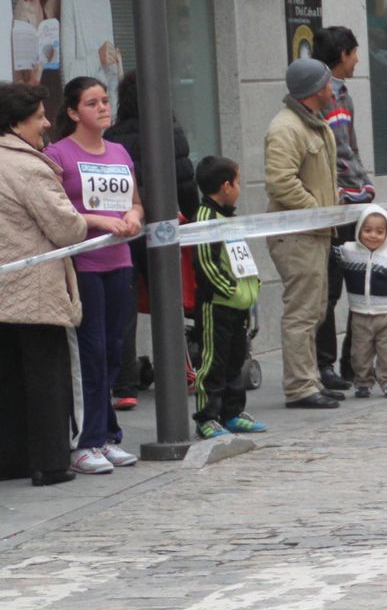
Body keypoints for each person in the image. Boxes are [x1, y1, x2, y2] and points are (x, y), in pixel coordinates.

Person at [0, 82, 123, 485]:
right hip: (34, 289)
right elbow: (65, 227)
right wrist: (96, 220)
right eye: (39, 116)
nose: (46, 123)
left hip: (5, 289)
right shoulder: (28, 166)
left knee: (10, 380)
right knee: (47, 377)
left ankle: (12, 460)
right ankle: (51, 463)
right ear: (17, 123)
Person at [45, 76, 143, 474]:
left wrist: (134, 217)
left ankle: (106, 436)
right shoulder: (58, 154)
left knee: (115, 350)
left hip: (119, 261)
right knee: (90, 352)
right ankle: (84, 441)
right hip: (82, 266)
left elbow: (136, 201)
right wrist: (99, 220)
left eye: (105, 100)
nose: (103, 108)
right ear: (72, 112)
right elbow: (54, 211)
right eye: (92, 103)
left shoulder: (119, 150)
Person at [104, 70, 201, 411]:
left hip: (126, 227)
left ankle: (125, 385)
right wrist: (194, 219)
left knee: (125, 309)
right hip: (161, 225)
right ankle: (178, 371)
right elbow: (185, 182)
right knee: (168, 300)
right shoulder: (169, 130)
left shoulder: (113, 137)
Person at [265, 57, 341, 410]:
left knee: (314, 311)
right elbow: (280, 182)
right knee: (302, 311)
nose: (332, 88)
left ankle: (309, 379)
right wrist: (316, 210)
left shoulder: (311, 123)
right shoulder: (287, 128)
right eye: (327, 82)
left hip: (314, 232)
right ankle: (300, 386)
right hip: (298, 234)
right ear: (315, 89)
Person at [312, 25, 377, 395]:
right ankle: (324, 365)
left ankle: (354, 363)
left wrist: (365, 184)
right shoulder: (319, 100)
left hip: (357, 198)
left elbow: (350, 146)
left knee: (362, 278)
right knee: (330, 285)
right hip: (334, 204)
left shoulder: (345, 96)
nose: (357, 59)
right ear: (342, 55)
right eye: (354, 52)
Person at [191, 155, 267, 440]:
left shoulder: (229, 218)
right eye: (237, 182)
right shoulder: (205, 218)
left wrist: (253, 284)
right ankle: (207, 417)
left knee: (236, 360)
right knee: (213, 363)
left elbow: (241, 257)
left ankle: (232, 413)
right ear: (225, 186)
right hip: (218, 306)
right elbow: (206, 263)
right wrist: (230, 290)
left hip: (239, 306)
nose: (239, 187)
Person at [330, 205, 387, 399]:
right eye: (367, 230)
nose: (373, 236)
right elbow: (330, 250)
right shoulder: (349, 251)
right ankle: (362, 382)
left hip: (386, 315)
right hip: (359, 314)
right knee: (360, 352)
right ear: (359, 230)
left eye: (379, 231)